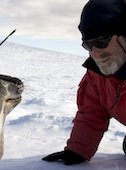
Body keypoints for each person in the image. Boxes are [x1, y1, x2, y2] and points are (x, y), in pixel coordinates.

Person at [42, 0, 126, 165]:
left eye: (101, 42)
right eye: (88, 45)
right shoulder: (98, 72)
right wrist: (77, 150)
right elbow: (91, 112)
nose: (95, 53)